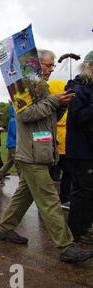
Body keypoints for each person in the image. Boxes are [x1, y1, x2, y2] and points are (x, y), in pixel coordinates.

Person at [0, 49, 92, 263]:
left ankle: (5, 228)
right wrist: (55, 101)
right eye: (48, 65)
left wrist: (62, 105)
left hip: (41, 151)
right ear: (36, 64)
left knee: (24, 195)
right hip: (30, 154)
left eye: (52, 65)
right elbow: (25, 115)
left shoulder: (42, 88)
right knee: (49, 199)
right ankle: (66, 246)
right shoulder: (20, 87)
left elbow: (48, 116)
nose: (51, 69)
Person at [65, 50, 93, 245]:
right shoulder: (78, 88)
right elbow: (77, 117)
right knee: (82, 191)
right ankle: (76, 231)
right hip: (81, 149)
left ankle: (85, 227)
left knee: (89, 191)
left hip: (89, 148)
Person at [48, 79, 71, 210]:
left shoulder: (65, 106)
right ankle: (51, 201)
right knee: (51, 174)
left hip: (64, 144)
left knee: (68, 172)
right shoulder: (51, 106)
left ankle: (64, 197)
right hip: (53, 144)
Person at [0, 104, 20, 184]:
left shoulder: (14, 120)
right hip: (13, 145)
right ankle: (22, 179)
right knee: (18, 162)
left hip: (12, 144)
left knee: (9, 162)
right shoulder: (14, 121)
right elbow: (15, 134)